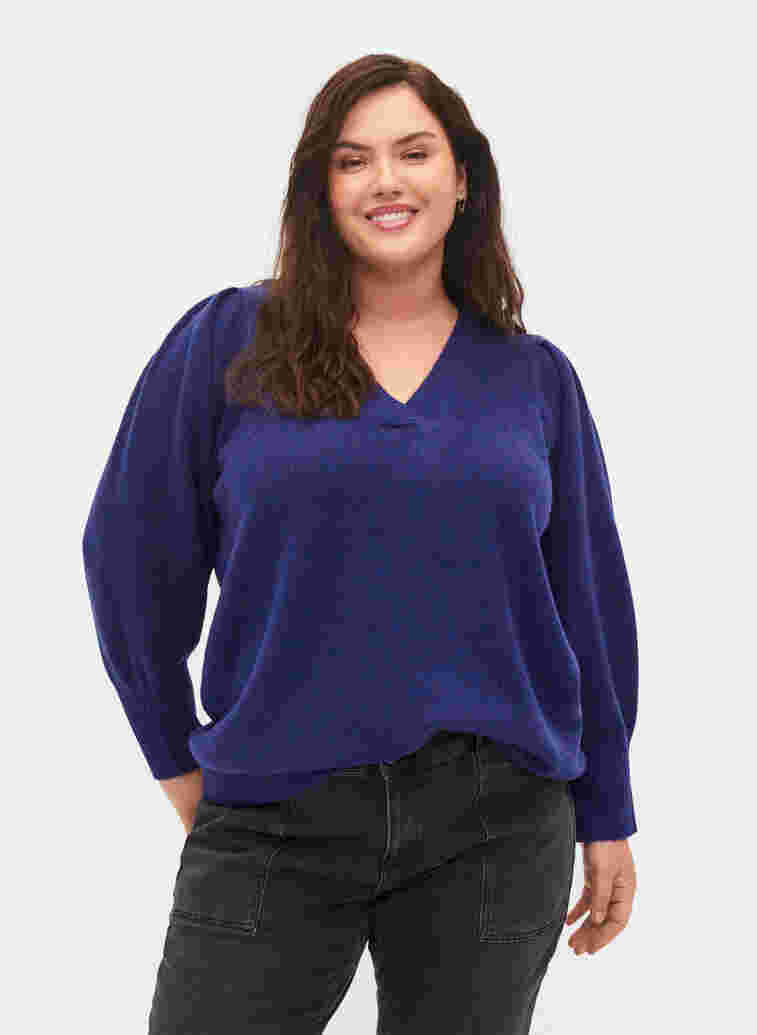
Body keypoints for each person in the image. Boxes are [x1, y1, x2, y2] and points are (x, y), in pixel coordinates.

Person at [82, 53, 639, 1035]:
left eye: (413, 153)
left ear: (462, 178)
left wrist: (607, 812)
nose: (386, 180)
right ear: (320, 188)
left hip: (496, 822)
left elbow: (587, 608)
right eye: (352, 160)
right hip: (275, 809)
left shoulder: (533, 379)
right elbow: (127, 560)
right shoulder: (228, 340)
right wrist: (180, 767)